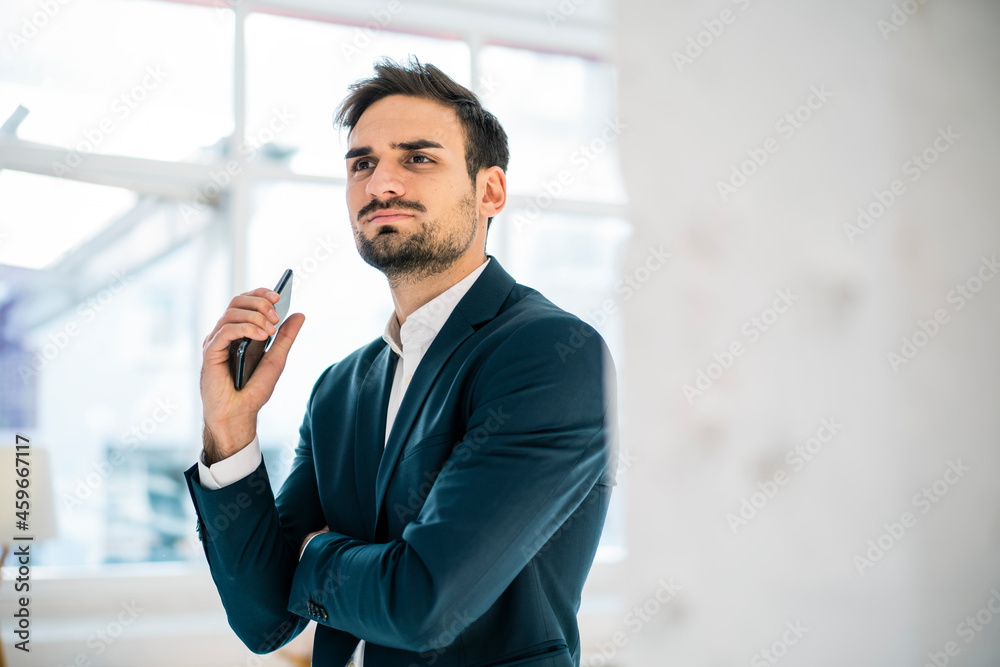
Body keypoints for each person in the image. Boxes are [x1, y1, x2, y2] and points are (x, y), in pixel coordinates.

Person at [184, 57, 618, 667]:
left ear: (489, 191)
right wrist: (229, 433)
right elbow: (264, 619)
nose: (380, 185)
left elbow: (426, 604)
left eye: (418, 158)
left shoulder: (549, 355)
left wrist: (309, 553)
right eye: (362, 164)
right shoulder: (339, 388)